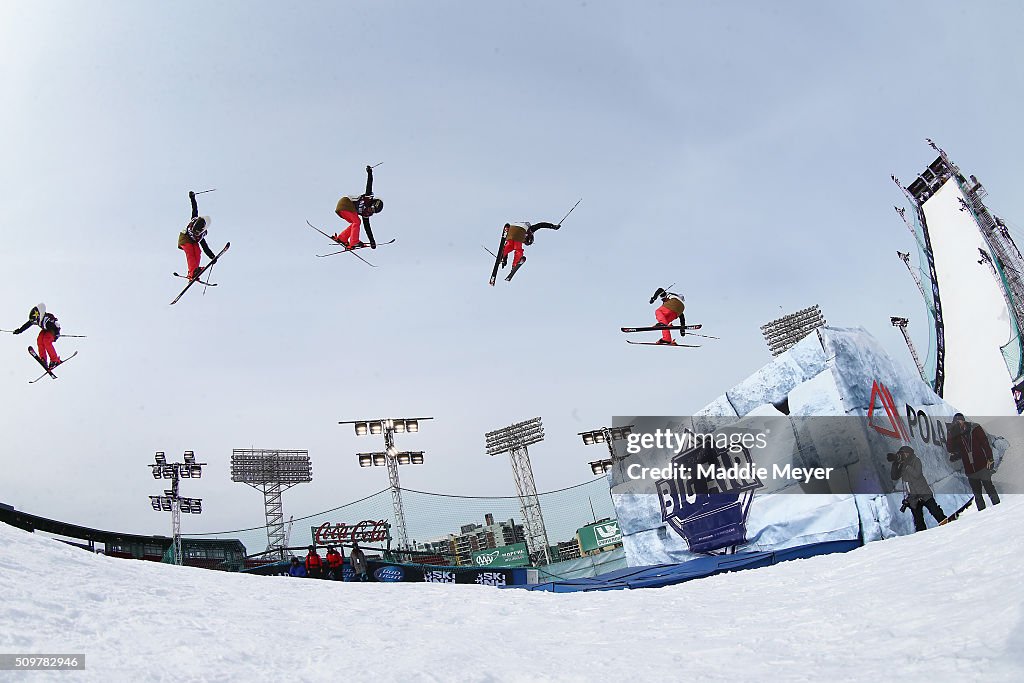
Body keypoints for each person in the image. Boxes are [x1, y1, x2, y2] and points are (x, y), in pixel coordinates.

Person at [946, 412, 1000, 510]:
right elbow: (950, 449)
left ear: (963, 420)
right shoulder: (955, 435)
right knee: (977, 495)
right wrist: (950, 434)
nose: (958, 423)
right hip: (970, 470)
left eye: (959, 420)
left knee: (989, 488)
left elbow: (985, 443)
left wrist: (990, 459)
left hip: (982, 465)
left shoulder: (974, 428)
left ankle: (999, 509)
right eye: (955, 422)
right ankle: (982, 516)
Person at [888, 445, 946, 531]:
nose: (904, 456)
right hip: (913, 497)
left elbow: (917, 474)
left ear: (909, 454)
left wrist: (907, 467)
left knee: (935, 511)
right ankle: (922, 538)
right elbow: (894, 476)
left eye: (904, 454)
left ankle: (946, 524)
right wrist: (895, 462)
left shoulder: (916, 460)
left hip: (924, 492)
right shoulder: (902, 465)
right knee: (918, 520)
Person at [332, 165, 383, 249]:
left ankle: (342, 238)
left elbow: (367, 228)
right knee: (357, 221)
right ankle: (354, 242)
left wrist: (372, 241)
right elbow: (369, 184)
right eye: (372, 207)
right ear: (373, 203)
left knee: (355, 223)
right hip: (346, 203)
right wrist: (370, 173)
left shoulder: (366, 213)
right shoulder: (368, 198)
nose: (371, 210)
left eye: (373, 211)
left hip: (343, 210)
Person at [178, 191, 218, 281]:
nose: (196, 234)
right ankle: (193, 271)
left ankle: (193, 272)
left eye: (197, 233)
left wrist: (212, 256)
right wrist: (192, 197)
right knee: (190, 252)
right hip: (184, 238)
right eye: (194, 232)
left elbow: (205, 247)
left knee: (197, 251)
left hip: (193, 242)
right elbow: (194, 208)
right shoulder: (193, 220)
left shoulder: (200, 236)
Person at [13, 303, 62, 369]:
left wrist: (56, 334)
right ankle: (43, 359)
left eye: (35, 321)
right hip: (46, 330)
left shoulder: (47, 321)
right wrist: (19, 330)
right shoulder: (38, 319)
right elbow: (28, 324)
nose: (35, 323)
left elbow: (54, 327)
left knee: (46, 340)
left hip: (52, 331)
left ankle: (55, 360)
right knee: (40, 340)